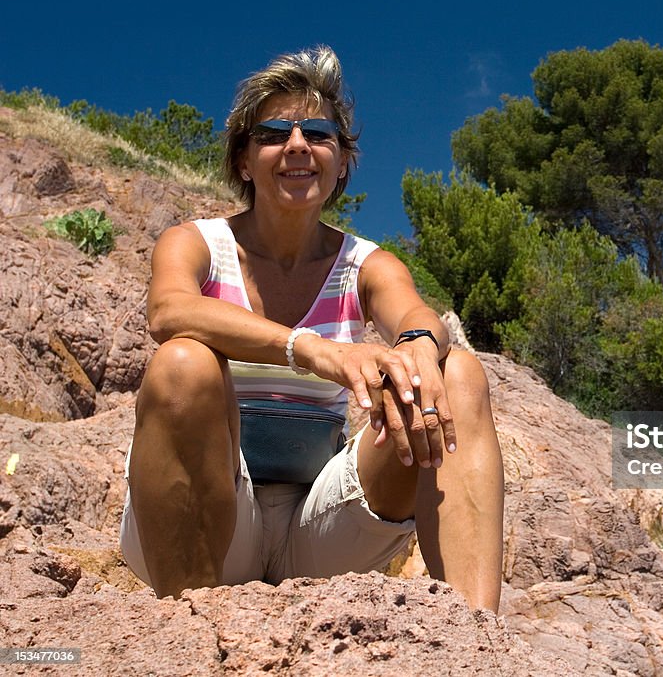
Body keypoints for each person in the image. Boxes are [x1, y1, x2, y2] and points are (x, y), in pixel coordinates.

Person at [118, 45, 504, 612]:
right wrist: (309, 349)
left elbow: (416, 316)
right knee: (183, 364)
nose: (297, 145)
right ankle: (186, 635)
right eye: (274, 132)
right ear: (244, 160)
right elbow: (169, 311)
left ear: (341, 161)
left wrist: (420, 345)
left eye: (318, 133)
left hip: (319, 529)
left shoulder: (364, 263)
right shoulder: (197, 243)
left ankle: (479, 643)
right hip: (213, 525)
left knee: (457, 373)